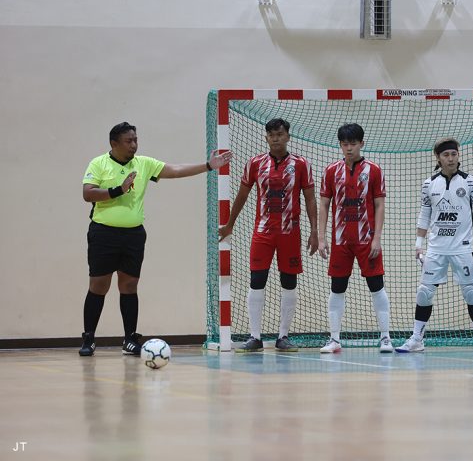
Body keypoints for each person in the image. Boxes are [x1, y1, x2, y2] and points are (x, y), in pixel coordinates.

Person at [80, 121, 232, 356]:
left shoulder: (144, 164)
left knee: (129, 285)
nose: (134, 145)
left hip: (133, 234)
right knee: (99, 286)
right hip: (103, 233)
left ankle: (130, 339)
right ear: (114, 143)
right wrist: (118, 190)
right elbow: (87, 193)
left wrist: (208, 166)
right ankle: (89, 338)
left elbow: (175, 169)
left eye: (135, 139)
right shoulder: (99, 163)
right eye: (128, 141)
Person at [218, 118, 318, 353]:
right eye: (271, 134)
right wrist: (230, 224)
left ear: (288, 136)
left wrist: (315, 232)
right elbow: (242, 195)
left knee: (289, 282)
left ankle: (283, 336)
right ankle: (255, 337)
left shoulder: (301, 164)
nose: (276, 138)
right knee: (256, 280)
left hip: (290, 233)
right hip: (262, 233)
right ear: (266, 137)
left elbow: (310, 198)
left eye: (280, 134)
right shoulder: (255, 163)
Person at [396, 138, 473, 353]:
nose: (451, 158)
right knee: (424, 292)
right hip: (436, 249)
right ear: (438, 158)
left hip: (462, 248)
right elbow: (424, 215)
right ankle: (416, 340)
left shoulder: (469, 182)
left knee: (471, 292)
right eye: (446, 155)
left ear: (458, 155)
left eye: (454, 154)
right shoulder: (429, 184)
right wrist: (418, 244)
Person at [317, 123, 392, 354]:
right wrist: (321, 238)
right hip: (340, 241)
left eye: (353, 143)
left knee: (376, 286)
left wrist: (377, 238)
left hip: (366, 240)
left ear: (362, 143)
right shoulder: (331, 171)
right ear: (340, 145)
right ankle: (334, 340)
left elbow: (379, 205)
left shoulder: (374, 170)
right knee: (337, 288)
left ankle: (386, 338)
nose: (349, 148)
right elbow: (324, 205)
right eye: (344, 144)